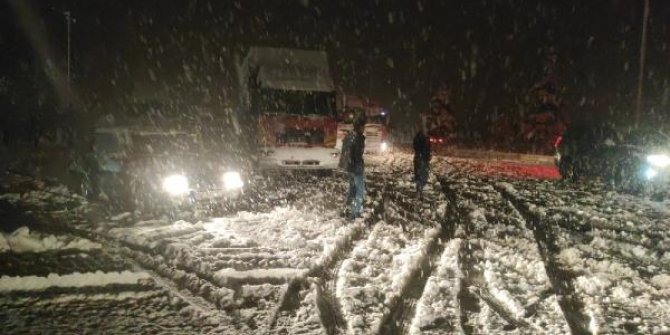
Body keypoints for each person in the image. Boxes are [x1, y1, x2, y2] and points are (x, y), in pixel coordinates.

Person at [340, 118, 366, 220]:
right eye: (363, 127)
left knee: (352, 189)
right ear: (359, 127)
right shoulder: (358, 138)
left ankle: (345, 209)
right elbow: (357, 155)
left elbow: (345, 153)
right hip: (356, 167)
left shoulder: (349, 136)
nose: (364, 129)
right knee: (360, 190)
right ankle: (356, 212)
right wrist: (359, 165)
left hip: (348, 167)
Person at [413, 122, 431, 200]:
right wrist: (422, 155)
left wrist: (428, 155)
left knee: (421, 175)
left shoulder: (424, 137)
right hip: (421, 158)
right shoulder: (420, 137)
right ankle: (419, 190)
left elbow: (427, 148)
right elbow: (418, 147)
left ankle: (419, 190)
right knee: (421, 175)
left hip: (422, 158)